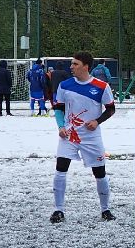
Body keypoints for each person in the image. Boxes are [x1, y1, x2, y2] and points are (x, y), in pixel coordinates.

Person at [50, 52, 117, 224]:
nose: (71, 67)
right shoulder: (65, 85)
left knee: (99, 173)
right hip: (70, 135)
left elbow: (110, 109)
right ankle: (58, 210)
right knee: (60, 169)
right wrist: (61, 126)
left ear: (86, 66)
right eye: (72, 64)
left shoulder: (101, 86)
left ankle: (105, 209)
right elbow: (58, 108)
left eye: (75, 64)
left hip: (91, 137)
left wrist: (97, 121)